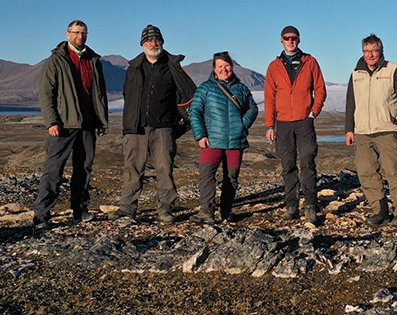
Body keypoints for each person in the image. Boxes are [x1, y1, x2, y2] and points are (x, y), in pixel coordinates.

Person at [110, 25, 196, 224]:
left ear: (162, 42)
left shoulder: (172, 67)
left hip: (164, 127)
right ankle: (127, 209)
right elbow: (128, 95)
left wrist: (182, 124)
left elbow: (189, 94)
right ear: (142, 44)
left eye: (157, 40)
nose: (153, 43)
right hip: (136, 128)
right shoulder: (134, 68)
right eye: (149, 40)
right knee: (132, 168)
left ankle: (165, 209)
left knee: (165, 168)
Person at [35, 20, 108, 231]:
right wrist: (52, 121)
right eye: (76, 32)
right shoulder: (56, 60)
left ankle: (80, 210)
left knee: (83, 169)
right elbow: (46, 93)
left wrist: (101, 120)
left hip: (88, 124)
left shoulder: (93, 60)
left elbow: (99, 93)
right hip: (64, 124)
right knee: (53, 170)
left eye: (83, 33)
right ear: (67, 34)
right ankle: (41, 215)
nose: (80, 36)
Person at [345, 33, 397, 228]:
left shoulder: (393, 70)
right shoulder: (356, 73)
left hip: (387, 129)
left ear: (381, 51)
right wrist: (349, 129)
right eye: (366, 51)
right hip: (362, 131)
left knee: (393, 172)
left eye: (374, 51)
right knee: (367, 173)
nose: (370, 55)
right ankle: (379, 211)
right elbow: (351, 103)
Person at [264, 25, 327, 224]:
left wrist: (313, 112)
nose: (290, 41)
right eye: (287, 38)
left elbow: (320, 89)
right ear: (281, 40)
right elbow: (269, 97)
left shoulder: (310, 62)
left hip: (304, 122)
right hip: (283, 123)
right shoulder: (274, 66)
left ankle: (310, 206)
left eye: (294, 38)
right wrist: (269, 125)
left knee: (308, 162)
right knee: (287, 164)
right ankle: (291, 206)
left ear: (299, 40)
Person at [190, 51, 258, 223]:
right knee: (206, 175)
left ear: (232, 66)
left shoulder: (241, 88)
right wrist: (200, 135)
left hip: (235, 141)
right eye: (220, 66)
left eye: (226, 65)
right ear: (214, 68)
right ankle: (207, 212)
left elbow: (253, 108)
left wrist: (243, 124)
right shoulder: (205, 88)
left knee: (231, 177)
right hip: (212, 140)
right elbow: (195, 111)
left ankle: (226, 211)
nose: (223, 69)